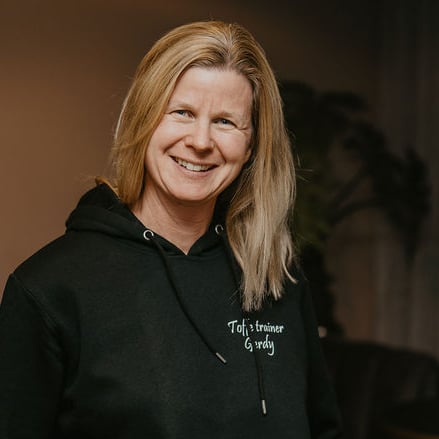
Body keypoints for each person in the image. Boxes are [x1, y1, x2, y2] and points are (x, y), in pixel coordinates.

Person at [0, 20, 342, 438]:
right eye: (182, 113)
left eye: (225, 122)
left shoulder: (277, 277)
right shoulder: (49, 289)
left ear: (251, 144)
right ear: (143, 120)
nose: (201, 141)